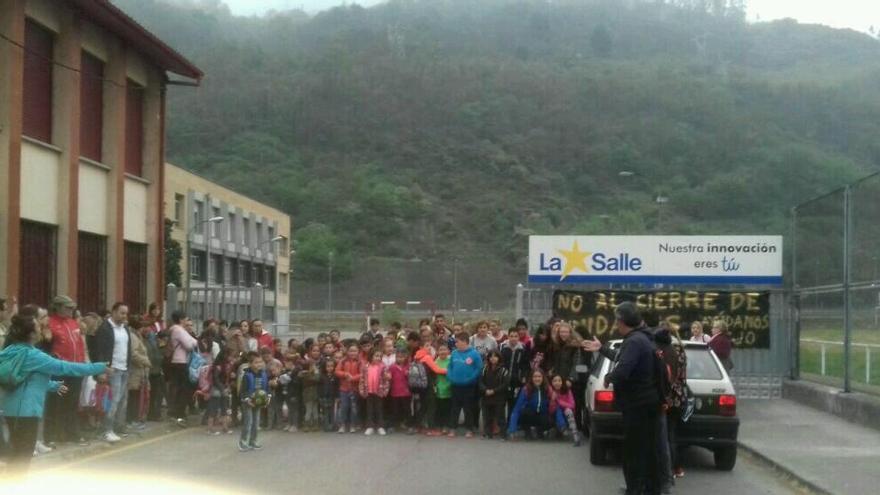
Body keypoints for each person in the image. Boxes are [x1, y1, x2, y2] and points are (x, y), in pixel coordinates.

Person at [0, 314, 107, 473]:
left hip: (10, 408)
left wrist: (52, 385)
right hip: (26, 411)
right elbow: (64, 367)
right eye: (38, 327)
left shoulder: (11, 350)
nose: (41, 329)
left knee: (17, 452)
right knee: (23, 454)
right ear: (31, 334)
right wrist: (98, 367)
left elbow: (25, 378)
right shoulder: (33, 355)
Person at [601, 302, 663, 495]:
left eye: (617, 320)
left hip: (638, 404)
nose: (615, 324)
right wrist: (601, 348)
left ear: (622, 321)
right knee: (647, 448)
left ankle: (635, 488)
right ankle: (650, 488)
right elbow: (624, 358)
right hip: (647, 402)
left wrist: (608, 378)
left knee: (634, 450)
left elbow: (624, 370)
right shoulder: (642, 338)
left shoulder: (635, 341)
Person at [44, 295, 89, 447]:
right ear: (58, 307)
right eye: (68, 307)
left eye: (72, 308)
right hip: (59, 369)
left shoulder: (73, 323)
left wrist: (83, 364)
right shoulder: (50, 323)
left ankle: (71, 433)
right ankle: (50, 435)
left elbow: (80, 345)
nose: (71, 310)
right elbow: (45, 344)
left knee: (72, 402)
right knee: (54, 402)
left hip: (75, 369)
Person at [91, 303, 132, 443]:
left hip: (124, 369)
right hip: (112, 370)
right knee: (111, 402)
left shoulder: (125, 328)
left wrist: (128, 367)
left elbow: (128, 349)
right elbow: (100, 351)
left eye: (126, 313)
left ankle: (116, 427)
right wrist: (102, 370)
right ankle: (106, 430)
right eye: (122, 313)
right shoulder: (105, 329)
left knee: (121, 401)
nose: (124, 316)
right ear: (114, 312)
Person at [447, 332, 483, 438]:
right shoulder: (454, 353)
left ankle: (469, 429)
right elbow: (450, 366)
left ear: (464, 341)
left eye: (457, 342)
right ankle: (452, 428)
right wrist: (450, 376)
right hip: (455, 386)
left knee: (468, 408)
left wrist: (470, 378)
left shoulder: (474, 354)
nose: (455, 344)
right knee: (455, 408)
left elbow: (479, 368)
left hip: (469, 386)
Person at [167, 310, 198, 427]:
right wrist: (194, 342)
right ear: (180, 319)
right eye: (185, 318)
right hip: (180, 361)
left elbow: (192, 340)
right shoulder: (178, 330)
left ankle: (177, 412)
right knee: (183, 388)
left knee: (179, 388)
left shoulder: (177, 330)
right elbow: (190, 344)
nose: (186, 321)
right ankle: (179, 413)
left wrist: (193, 341)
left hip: (179, 361)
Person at [507, 369, 553, 440]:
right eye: (535, 377)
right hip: (530, 415)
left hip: (543, 415)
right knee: (526, 412)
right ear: (531, 378)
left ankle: (540, 431)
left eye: (539, 376)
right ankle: (527, 431)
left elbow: (554, 405)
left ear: (543, 377)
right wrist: (512, 430)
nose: (537, 379)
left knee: (548, 418)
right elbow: (516, 410)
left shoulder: (548, 389)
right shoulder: (526, 389)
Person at [125, 315, 152, 431]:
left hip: (138, 371)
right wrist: (146, 361)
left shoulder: (136, 336)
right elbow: (134, 354)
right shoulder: (133, 337)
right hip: (135, 371)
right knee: (133, 397)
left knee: (136, 396)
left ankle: (134, 419)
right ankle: (131, 420)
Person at [239, 352, 268, 452]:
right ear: (250, 364)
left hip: (258, 401)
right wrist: (247, 400)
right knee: (248, 422)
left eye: (260, 362)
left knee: (256, 423)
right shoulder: (246, 375)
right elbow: (243, 391)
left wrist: (267, 398)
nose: (259, 364)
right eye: (256, 362)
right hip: (248, 402)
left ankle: (253, 441)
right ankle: (243, 442)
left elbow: (266, 388)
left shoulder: (263, 374)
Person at [359, 350, 391, 435]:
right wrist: (362, 390)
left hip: (379, 392)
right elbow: (362, 379)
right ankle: (370, 426)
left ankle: (380, 426)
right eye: (376, 356)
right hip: (369, 392)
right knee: (369, 410)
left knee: (379, 409)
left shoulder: (383, 367)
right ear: (371, 356)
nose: (378, 358)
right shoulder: (365, 366)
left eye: (380, 356)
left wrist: (385, 390)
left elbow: (386, 380)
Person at [479, 349, 508, 439]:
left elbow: (505, 384)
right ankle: (488, 433)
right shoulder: (484, 369)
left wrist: (494, 391)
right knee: (487, 417)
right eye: (491, 356)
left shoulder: (503, 371)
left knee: (500, 417)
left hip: (498, 397)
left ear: (499, 358)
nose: (493, 358)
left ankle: (503, 434)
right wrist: (485, 390)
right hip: (486, 396)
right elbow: (480, 382)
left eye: (495, 356)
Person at [335, 345, 362, 433]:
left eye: (355, 351)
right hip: (344, 389)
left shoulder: (360, 362)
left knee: (353, 408)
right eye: (351, 351)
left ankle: (352, 425)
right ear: (347, 352)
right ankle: (342, 425)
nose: (352, 353)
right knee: (344, 407)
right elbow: (337, 371)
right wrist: (345, 374)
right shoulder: (343, 361)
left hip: (355, 389)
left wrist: (353, 378)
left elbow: (363, 374)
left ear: (358, 352)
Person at [549, 374, 581, 446]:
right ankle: (562, 427)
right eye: (555, 381)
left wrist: (559, 401)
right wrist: (552, 400)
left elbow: (572, 405)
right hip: (554, 416)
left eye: (559, 381)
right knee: (557, 409)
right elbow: (550, 410)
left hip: (568, 414)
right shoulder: (551, 392)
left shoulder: (567, 391)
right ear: (551, 382)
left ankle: (575, 436)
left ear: (562, 382)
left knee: (568, 410)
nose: (557, 383)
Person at [430, 342, 452, 436]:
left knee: (448, 409)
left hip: (449, 388)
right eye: (440, 350)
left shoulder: (451, 361)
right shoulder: (435, 362)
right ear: (437, 352)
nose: (442, 352)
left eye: (444, 349)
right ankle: (439, 426)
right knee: (439, 409)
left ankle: (447, 426)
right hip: (439, 389)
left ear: (448, 351)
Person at [388, 350, 412, 433]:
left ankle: (409, 425)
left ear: (406, 357)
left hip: (406, 392)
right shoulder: (392, 367)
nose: (400, 359)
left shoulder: (409, 366)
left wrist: (409, 374)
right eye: (398, 357)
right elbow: (389, 377)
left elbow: (412, 378)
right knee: (394, 410)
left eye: (402, 357)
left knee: (407, 410)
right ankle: (392, 426)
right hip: (395, 392)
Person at [318, 359, 339, 432]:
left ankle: (333, 426)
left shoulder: (335, 376)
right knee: (325, 412)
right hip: (324, 397)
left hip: (332, 397)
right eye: (328, 366)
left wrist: (337, 396)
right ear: (324, 367)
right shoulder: (322, 376)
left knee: (332, 412)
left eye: (331, 366)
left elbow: (337, 387)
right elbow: (320, 387)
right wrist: (320, 396)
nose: (330, 368)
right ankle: (326, 426)